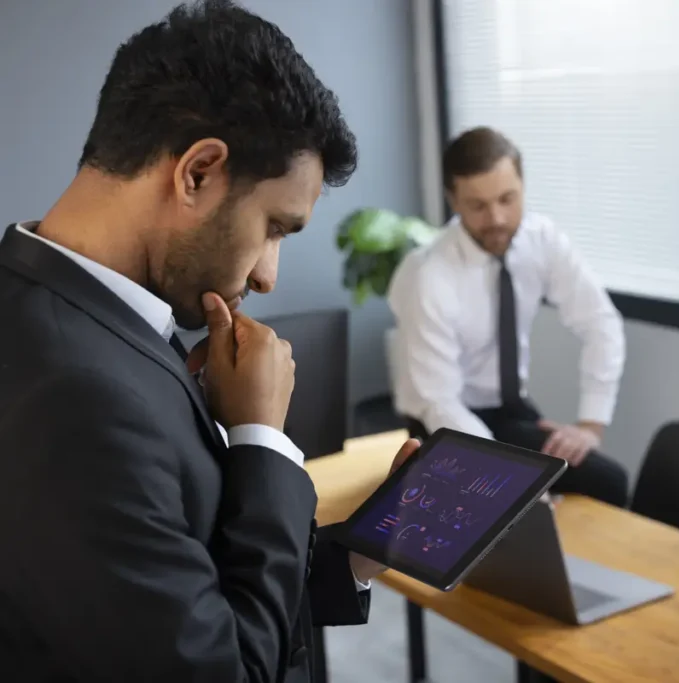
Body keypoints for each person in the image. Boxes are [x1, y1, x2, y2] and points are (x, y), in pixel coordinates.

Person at [0, 2, 417, 681]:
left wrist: (353, 558)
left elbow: (183, 592)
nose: (269, 275)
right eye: (275, 227)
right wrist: (261, 439)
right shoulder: (73, 396)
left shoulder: (93, 316)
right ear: (197, 173)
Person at [387, 126, 630, 508]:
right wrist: (499, 479)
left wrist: (590, 425)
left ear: (522, 187)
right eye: (478, 206)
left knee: (607, 483)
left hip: (509, 408)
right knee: (501, 510)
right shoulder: (429, 276)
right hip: (442, 419)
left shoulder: (542, 240)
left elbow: (601, 323)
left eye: (507, 199)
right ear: (453, 200)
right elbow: (440, 402)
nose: (497, 218)